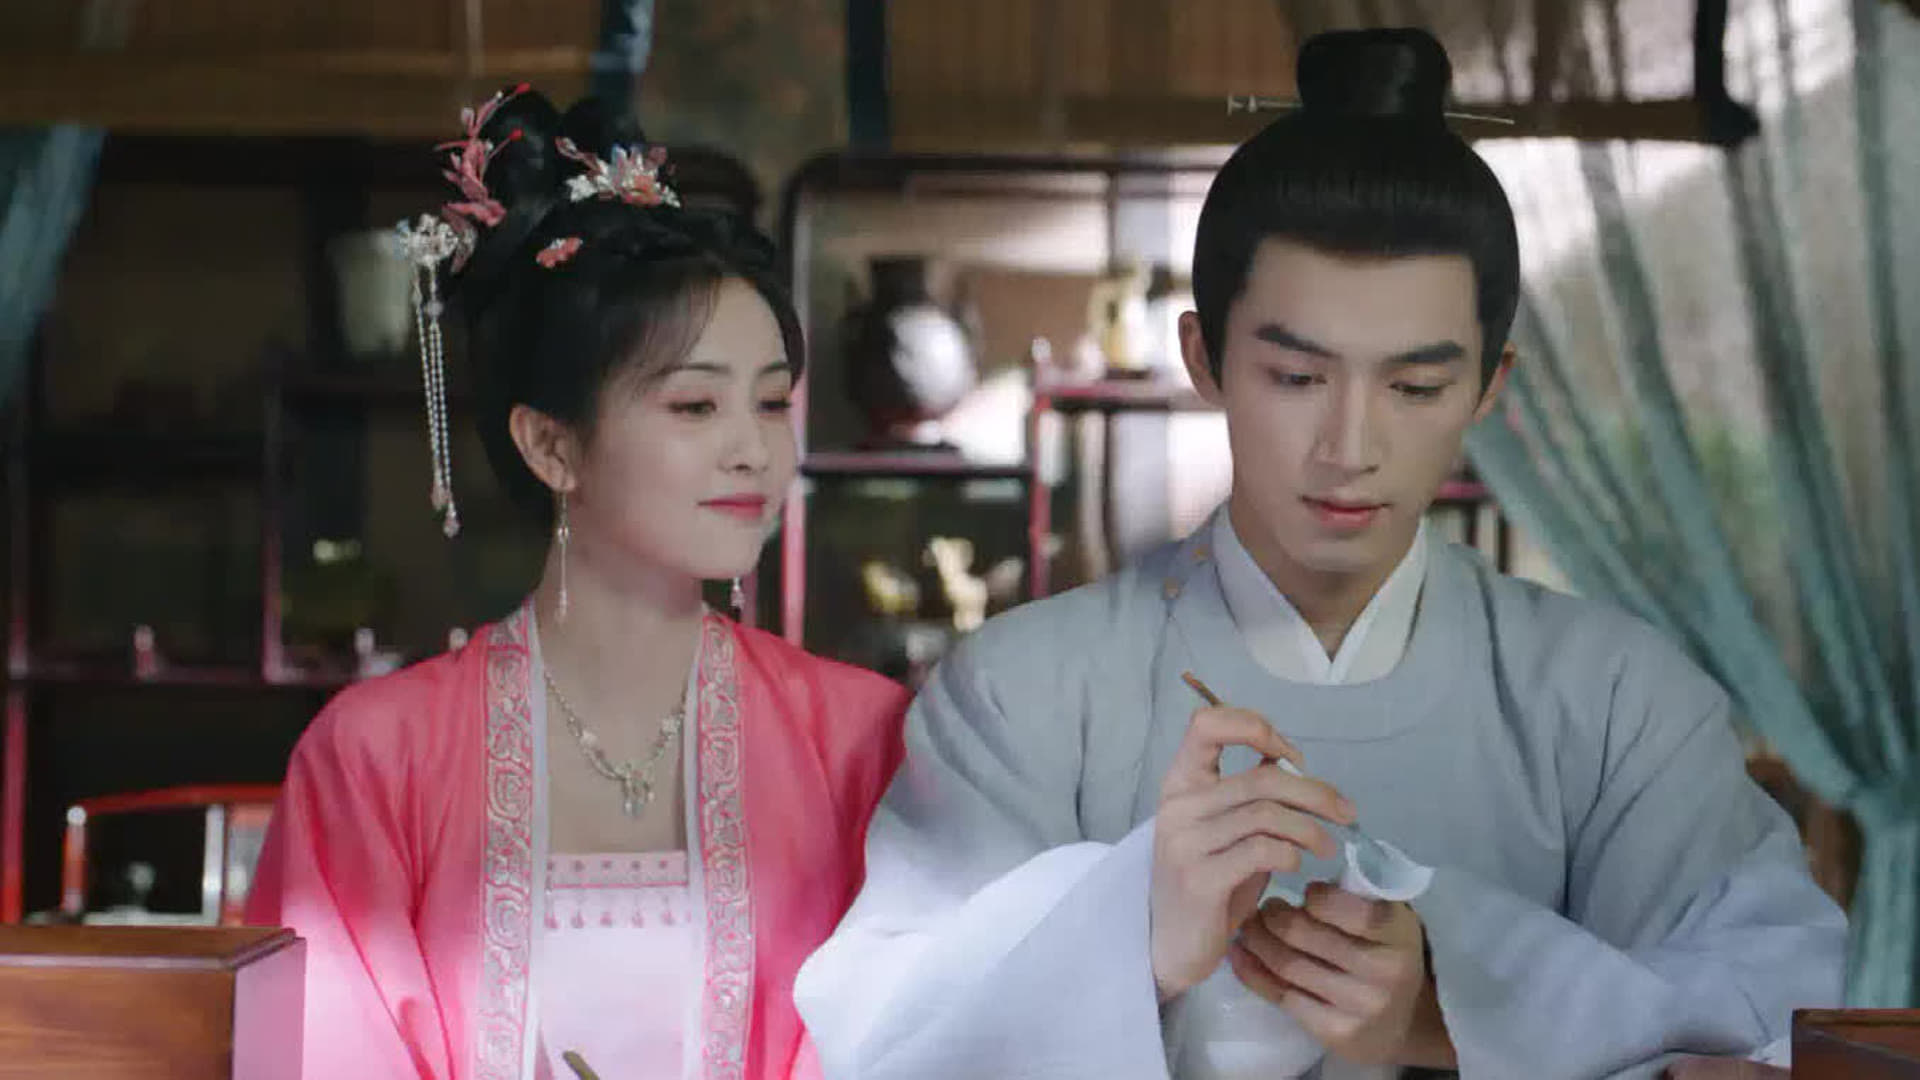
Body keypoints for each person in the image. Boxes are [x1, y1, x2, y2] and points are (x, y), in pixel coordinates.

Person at [792, 27, 1844, 1080]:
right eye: (1297, 378)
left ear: (1489, 386)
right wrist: (1134, 937)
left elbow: (1784, 1010)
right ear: (1204, 358)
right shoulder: (1022, 690)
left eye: (1416, 387)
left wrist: (1452, 1008)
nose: (1350, 447)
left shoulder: (1614, 699)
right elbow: (883, 1042)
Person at [246, 86, 910, 1080]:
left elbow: (921, 1036)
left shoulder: (861, 741)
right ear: (552, 445)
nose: (753, 451)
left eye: (772, 404)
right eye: (695, 406)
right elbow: (321, 1052)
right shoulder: (376, 757)